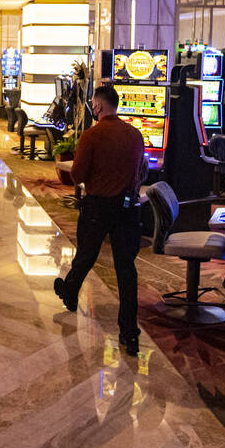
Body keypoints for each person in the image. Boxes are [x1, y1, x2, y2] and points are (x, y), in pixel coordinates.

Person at [53, 84, 147, 356]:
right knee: (126, 270)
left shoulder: (92, 135)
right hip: (128, 208)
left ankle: (70, 292)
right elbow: (142, 171)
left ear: (98, 106)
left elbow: (78, 175)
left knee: (86, 255)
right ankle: (130, 334)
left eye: (93, 104)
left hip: (98, 207)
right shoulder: (135, 135)